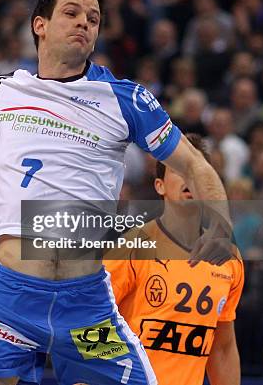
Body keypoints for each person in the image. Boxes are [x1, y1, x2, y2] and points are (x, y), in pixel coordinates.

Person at [0, 0, 233, 385]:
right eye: (71, 12)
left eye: (93, 17)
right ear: (40, 25)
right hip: (11, 302)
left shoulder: (124, 99)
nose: (84, 22)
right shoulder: (6, 92)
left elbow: (194, 165)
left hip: (85, 312)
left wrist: (221, 226)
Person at [105, 134, 244, 385]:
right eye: (180, 169)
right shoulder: (132, 247)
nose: (190, 177)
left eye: (198, 172)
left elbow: (222, 348)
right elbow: (86, 322)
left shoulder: (228, 258)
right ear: (160, 185)